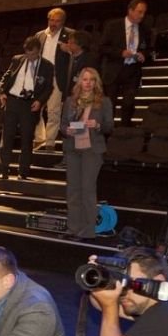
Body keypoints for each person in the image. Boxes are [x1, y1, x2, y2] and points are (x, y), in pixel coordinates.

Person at [59, 67, 113, 241]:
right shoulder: (70, 101)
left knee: (87, 190)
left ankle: (88, 231)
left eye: (91, 79)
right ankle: (73, 229)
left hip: (92, 151)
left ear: (96, 82)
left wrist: (97, 125)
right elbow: (62, 125)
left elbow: (109, 126)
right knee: (73, 191)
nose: (88, 83)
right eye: (85, 79)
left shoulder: (104, 102)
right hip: (73, 150)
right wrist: (67, 130)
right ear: (80, 82)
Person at [0, 36, 54, 180]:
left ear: (38, 51)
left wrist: (40, 101)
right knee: (7, 137)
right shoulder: (17, 59)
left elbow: (49, 87)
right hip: (12, 101)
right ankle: (4, 170)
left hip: (29, 105)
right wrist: (2, 92)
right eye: (27, 53)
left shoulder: (47, 66)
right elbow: (6, 77)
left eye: (33, 54)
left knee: (27, 139)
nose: (30, 57)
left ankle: (23, 172)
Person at [34, 8, 85, 151]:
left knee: (53, 111)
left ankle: (50, 142)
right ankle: (40, 138)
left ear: (63, 22)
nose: (53, 23)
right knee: (35, 109)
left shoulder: (70, 34)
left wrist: (69, 49)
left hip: (58, 77)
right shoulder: (39, 35)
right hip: (40, 78)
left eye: (57, 21)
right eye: (51, 20)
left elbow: (79, 53)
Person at [100, 0, 151, 127]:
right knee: (110, 103)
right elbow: (102, 47)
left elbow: (148, 49)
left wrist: (143, 54)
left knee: (129, 103)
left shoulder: (144, 29)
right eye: (139, 12)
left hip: (132, 71)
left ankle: (125, 129)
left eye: (144, 12)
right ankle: (108, 130)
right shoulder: (113, 26)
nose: (142, 15)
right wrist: (120, 53)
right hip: (114, 70)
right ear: (130, 10)